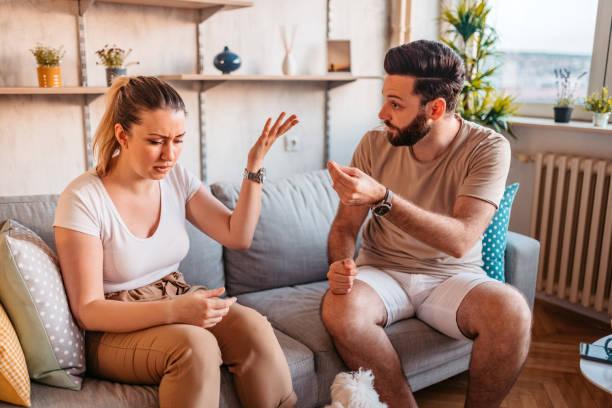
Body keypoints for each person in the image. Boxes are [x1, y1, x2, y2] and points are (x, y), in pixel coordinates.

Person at [53, 76, 299, 408]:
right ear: (122, 135)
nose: (169, 154)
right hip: (112, 330)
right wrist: (174, 311)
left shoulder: (176, 178)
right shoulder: (83, 198)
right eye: (156, 141)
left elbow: (237, 236)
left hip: (176, 296)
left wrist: (253, 168)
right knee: (195, 346)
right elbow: (89, 312)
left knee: (252, 327)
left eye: (178, 140)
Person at [321, 40, 532, 408]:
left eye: (396, 104)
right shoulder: (374, 144)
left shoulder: (487, 148)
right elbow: (344, 228)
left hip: (453, 277)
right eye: (385, 98)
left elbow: (462, 239)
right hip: (383, 272)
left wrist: (383, 199)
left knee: (512, 312)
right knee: (340, 308)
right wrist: (341, 263)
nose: (382, 112)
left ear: (434, 108)